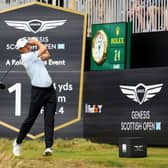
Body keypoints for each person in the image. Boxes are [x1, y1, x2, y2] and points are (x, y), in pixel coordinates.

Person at [13, 37, 57, 156]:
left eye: (28, 44)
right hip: (38, 92)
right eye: (27, 45)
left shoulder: (33, 55)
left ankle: (48, 147)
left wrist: (37, 45)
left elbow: (47, 55)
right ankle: (17, 142)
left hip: (50, 90)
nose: (29, 45)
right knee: (30, 119)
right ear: (22, 49)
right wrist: (37, 42)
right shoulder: (26, 57)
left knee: (49, 119)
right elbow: (44, 48)